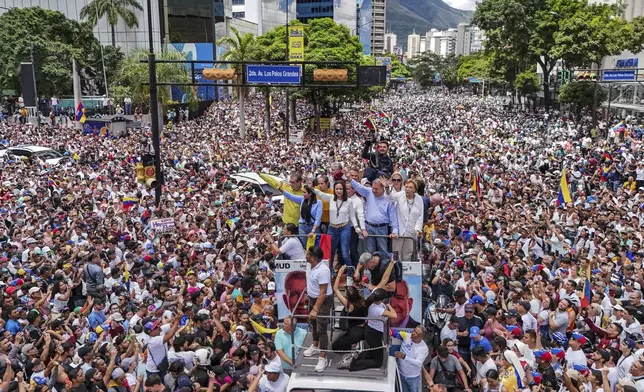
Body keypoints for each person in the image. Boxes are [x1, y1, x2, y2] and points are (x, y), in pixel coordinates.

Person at [338, 288, 396, 371]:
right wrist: (389, 305)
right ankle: (352, 364)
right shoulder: (376, 309)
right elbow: (394, 315)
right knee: (378, 362)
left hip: (371, 331)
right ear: (381, 300)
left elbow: (376, 290)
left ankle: (354, 357)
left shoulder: (372, 302)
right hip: (373, 334)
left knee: (373, 352)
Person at [301, 246, 333, 372]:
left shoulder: (323, 271)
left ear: (313, 258)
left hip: (323, 301)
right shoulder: (310, 265)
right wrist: (308, 295)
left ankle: (322, 357)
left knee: (322, 329)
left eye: (307, 254)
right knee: (313, 323)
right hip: (312, 298)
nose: (305, 255)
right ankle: (314, 344)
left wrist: (315, 309)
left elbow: (323, 292)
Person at [312, 180, 354, 278]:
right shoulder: (331, 198)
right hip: (332, 228)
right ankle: (330, 272)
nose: (339, 191)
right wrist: (311, 187)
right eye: (337, 189)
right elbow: (320, 194)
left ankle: (350, 274)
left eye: (341, 189)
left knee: (345, 253)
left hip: (344, 228)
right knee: (330, 252)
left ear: (344, 190)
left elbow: (352, 216)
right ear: (334, 190)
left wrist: (357, 228)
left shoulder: (349, 201)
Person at [350, 178, 399, 253]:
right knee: (369, 252)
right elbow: (358, 187)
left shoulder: (389, 199)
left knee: (383, 251)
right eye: (373, 188)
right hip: (368, 227)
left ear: (383, 188)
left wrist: (395, 231)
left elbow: (393, 218)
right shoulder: (369, 192)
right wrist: (349, 178)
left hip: (382, 228)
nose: (374, 190)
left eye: (376, 189)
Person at [390, 179, 424, 260]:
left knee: (407, 255)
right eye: (406, 187)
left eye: (410, 187)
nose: (407, 189)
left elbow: (420, 216)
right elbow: (389, 197)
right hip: (399, 231)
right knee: (396, 255)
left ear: (414, 189)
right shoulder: (400, 195)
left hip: (411, 232)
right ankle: (396, 271)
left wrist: (417, 229)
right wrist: (388, 187)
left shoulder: (419, 199)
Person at [392, 326, 429, 392]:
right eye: (414, 330)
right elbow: (395, 333)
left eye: (416, 333)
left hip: (412, 378)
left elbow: (418, 364)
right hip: (400, 374)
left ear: (421, 337)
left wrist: (404, 357)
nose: (413, 333)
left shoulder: (424, 348)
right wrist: (390, 332)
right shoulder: (407, 335)